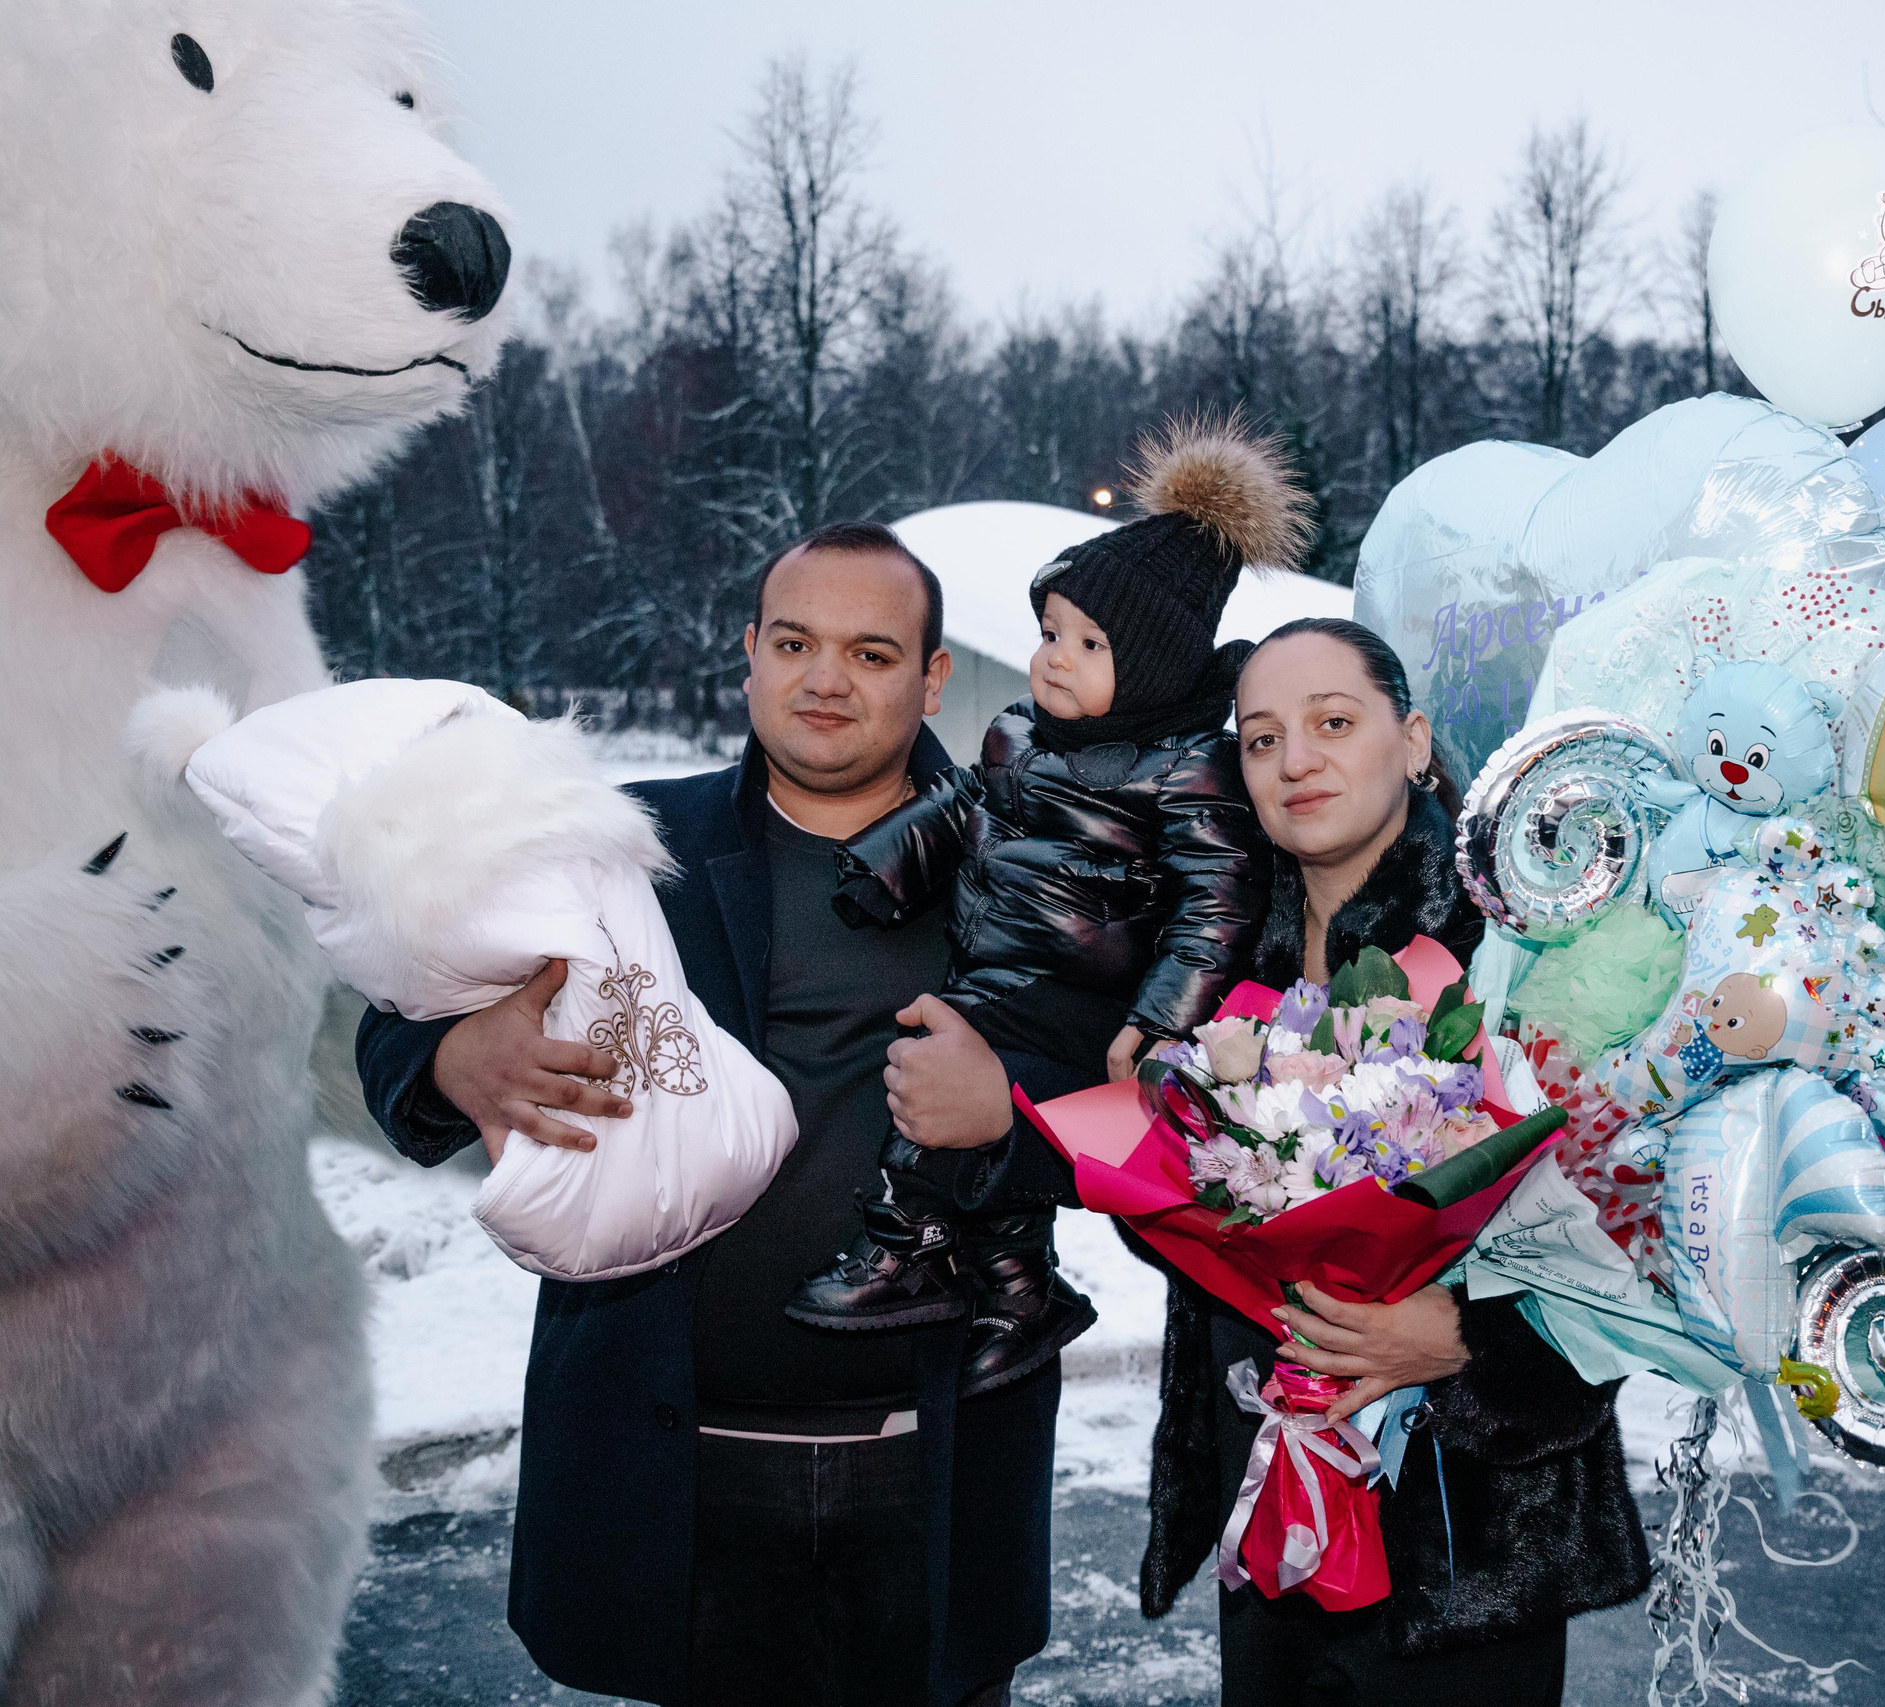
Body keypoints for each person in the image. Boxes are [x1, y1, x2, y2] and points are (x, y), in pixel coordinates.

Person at [353, 523, 1066, 1707]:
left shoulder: (1030, 867)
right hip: (669, 1464)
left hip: (933, 1464)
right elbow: (396, 1020)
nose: (824, 678)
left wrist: (1014, 1109)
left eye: (872, 652)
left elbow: (1143, 1090)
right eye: (793, 641)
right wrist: (454, 1056)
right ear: (748, 653)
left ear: (934, 677)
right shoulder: (620, 846)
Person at [1142, 617, 1652, 1705]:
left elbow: (1636, 1230)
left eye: (1333, 722)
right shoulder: (1216, 957)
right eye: (1261, 738)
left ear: (1414, 739)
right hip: (1273, 1494)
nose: (1295, 761)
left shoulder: (1518, 945)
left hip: (1468, 1535)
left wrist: (1466, 1341)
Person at [786, 418, 1294, 1396]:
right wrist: (885, 863)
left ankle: (903, 1244)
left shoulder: (1189, 772)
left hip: (1079, 1002)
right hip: (999, 968)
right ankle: (1021, 1291)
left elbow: (1219, 905)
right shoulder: (1020, 734)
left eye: (1089, 642)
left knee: (940, 1092)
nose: (1054, 657)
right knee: (973, 1109)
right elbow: (961, 806)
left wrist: (1161, 1021)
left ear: (1147, 666)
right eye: (1050, 631)